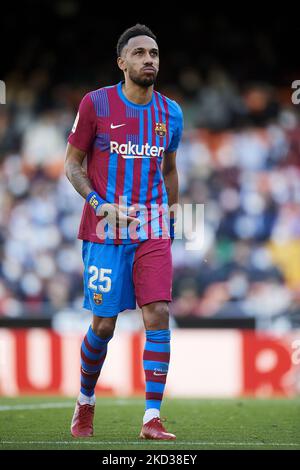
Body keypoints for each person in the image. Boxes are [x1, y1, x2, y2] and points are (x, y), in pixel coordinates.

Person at [65, 23, 183, 440]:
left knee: (159, 313)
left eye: (153, 53)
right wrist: (99, 204)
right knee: (104, 325)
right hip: (103, 228)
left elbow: (169, 170)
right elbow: (72, 165)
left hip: (152, 228)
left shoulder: (171, 113)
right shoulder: (95, 104)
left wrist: (171, 220)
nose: (149, 59)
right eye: (139, 53)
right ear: (122, 62)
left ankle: (151, 417)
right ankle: (85, 401)